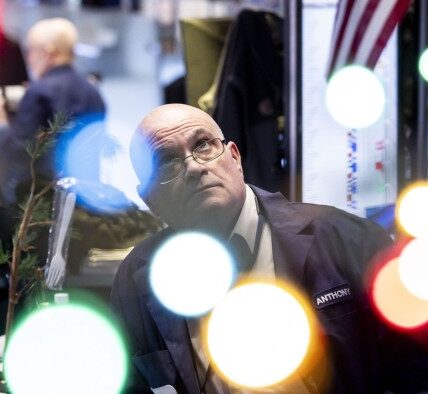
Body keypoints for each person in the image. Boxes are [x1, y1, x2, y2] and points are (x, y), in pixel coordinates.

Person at [110, 104, 428, 393]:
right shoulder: (137, 278)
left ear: (234, 156)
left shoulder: (344, 237)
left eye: (203, 145)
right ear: (148, 198)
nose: (194, 167)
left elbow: (415, 367)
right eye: (167, 162)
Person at [0, 17, 105, 206]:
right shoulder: (93, 93)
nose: (29, 59)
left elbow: (18, 150)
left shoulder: (40, 92)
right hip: (84, 199)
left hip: (41, 202)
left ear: (48, 51)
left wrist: (3, 123)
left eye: (30, 51)